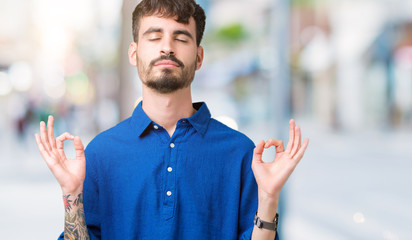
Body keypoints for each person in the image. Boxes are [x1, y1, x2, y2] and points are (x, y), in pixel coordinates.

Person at [35, 0, 309, 239]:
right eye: (154, 37)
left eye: (181, 37)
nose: (167, 47)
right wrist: (71, 192)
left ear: (199, 56)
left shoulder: (240, 153)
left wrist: (269, 197)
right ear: (134, 53)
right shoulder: (101, 153)